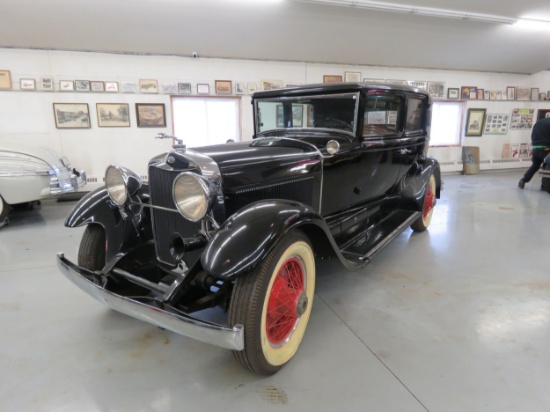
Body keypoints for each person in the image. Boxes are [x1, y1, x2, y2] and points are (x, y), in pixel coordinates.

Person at [518, 116, 550, 189]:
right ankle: (544, 186)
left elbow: (533, 135)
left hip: (535, 147)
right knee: (546, 167)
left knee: (535, 165)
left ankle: (523, 180)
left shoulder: (538, 123)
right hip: (546, 148)